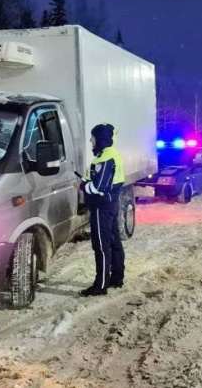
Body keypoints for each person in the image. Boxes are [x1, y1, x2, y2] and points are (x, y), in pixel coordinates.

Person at [78, 123, 126, 297]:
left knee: (101, 245)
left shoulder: (105, 158)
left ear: (101, 139)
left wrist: (83, 185)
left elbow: (99, 187)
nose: (91, 140)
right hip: (110, 204)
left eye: (93, 137)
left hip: (101, 206)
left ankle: (101, 285)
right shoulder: (109, 155)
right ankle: (116, 277)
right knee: (113, 241)